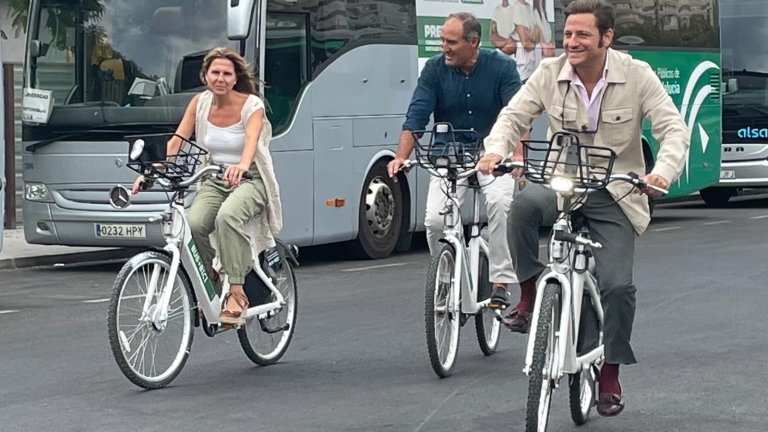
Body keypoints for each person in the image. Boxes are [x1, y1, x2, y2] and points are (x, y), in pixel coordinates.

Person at [476, 0, 689, 417]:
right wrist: (495, 150)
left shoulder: (637, 75)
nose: (571, 43)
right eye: (568, 34)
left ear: (606, 38)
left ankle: (609, 370)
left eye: (582, 35)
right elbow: (512, 116)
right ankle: (529, 292)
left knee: (617, 287)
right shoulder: (549, 72)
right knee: (520, 208)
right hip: (563, 186)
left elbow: (673, 130)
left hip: (615, 193)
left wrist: (661, 173)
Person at [131, 47, 282, 326]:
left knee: (227, 217)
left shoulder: (252, 105)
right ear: (206, 75)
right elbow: (178, 141)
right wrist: (152, 170)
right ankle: (210, 280)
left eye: (227, 73)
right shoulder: (200, 103)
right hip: (214, 178)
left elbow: (251, 142)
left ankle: (236, 292)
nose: (220, 78)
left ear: (236, 78)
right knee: (195, 224)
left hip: (250, 178)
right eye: (215, 72)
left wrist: (240, 165)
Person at [387, 12, 526, 306]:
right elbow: (416, 117)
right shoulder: (435, 70)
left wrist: (517, 156)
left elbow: (518, 116)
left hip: (493, 153)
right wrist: (401, 158)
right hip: (449, 155)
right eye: (442, 40)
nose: (444, 47)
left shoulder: (502, 67)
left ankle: (500, 280)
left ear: (473, 42)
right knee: (435, 219)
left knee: (501, 205)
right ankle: (446, 271)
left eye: (451, 41)